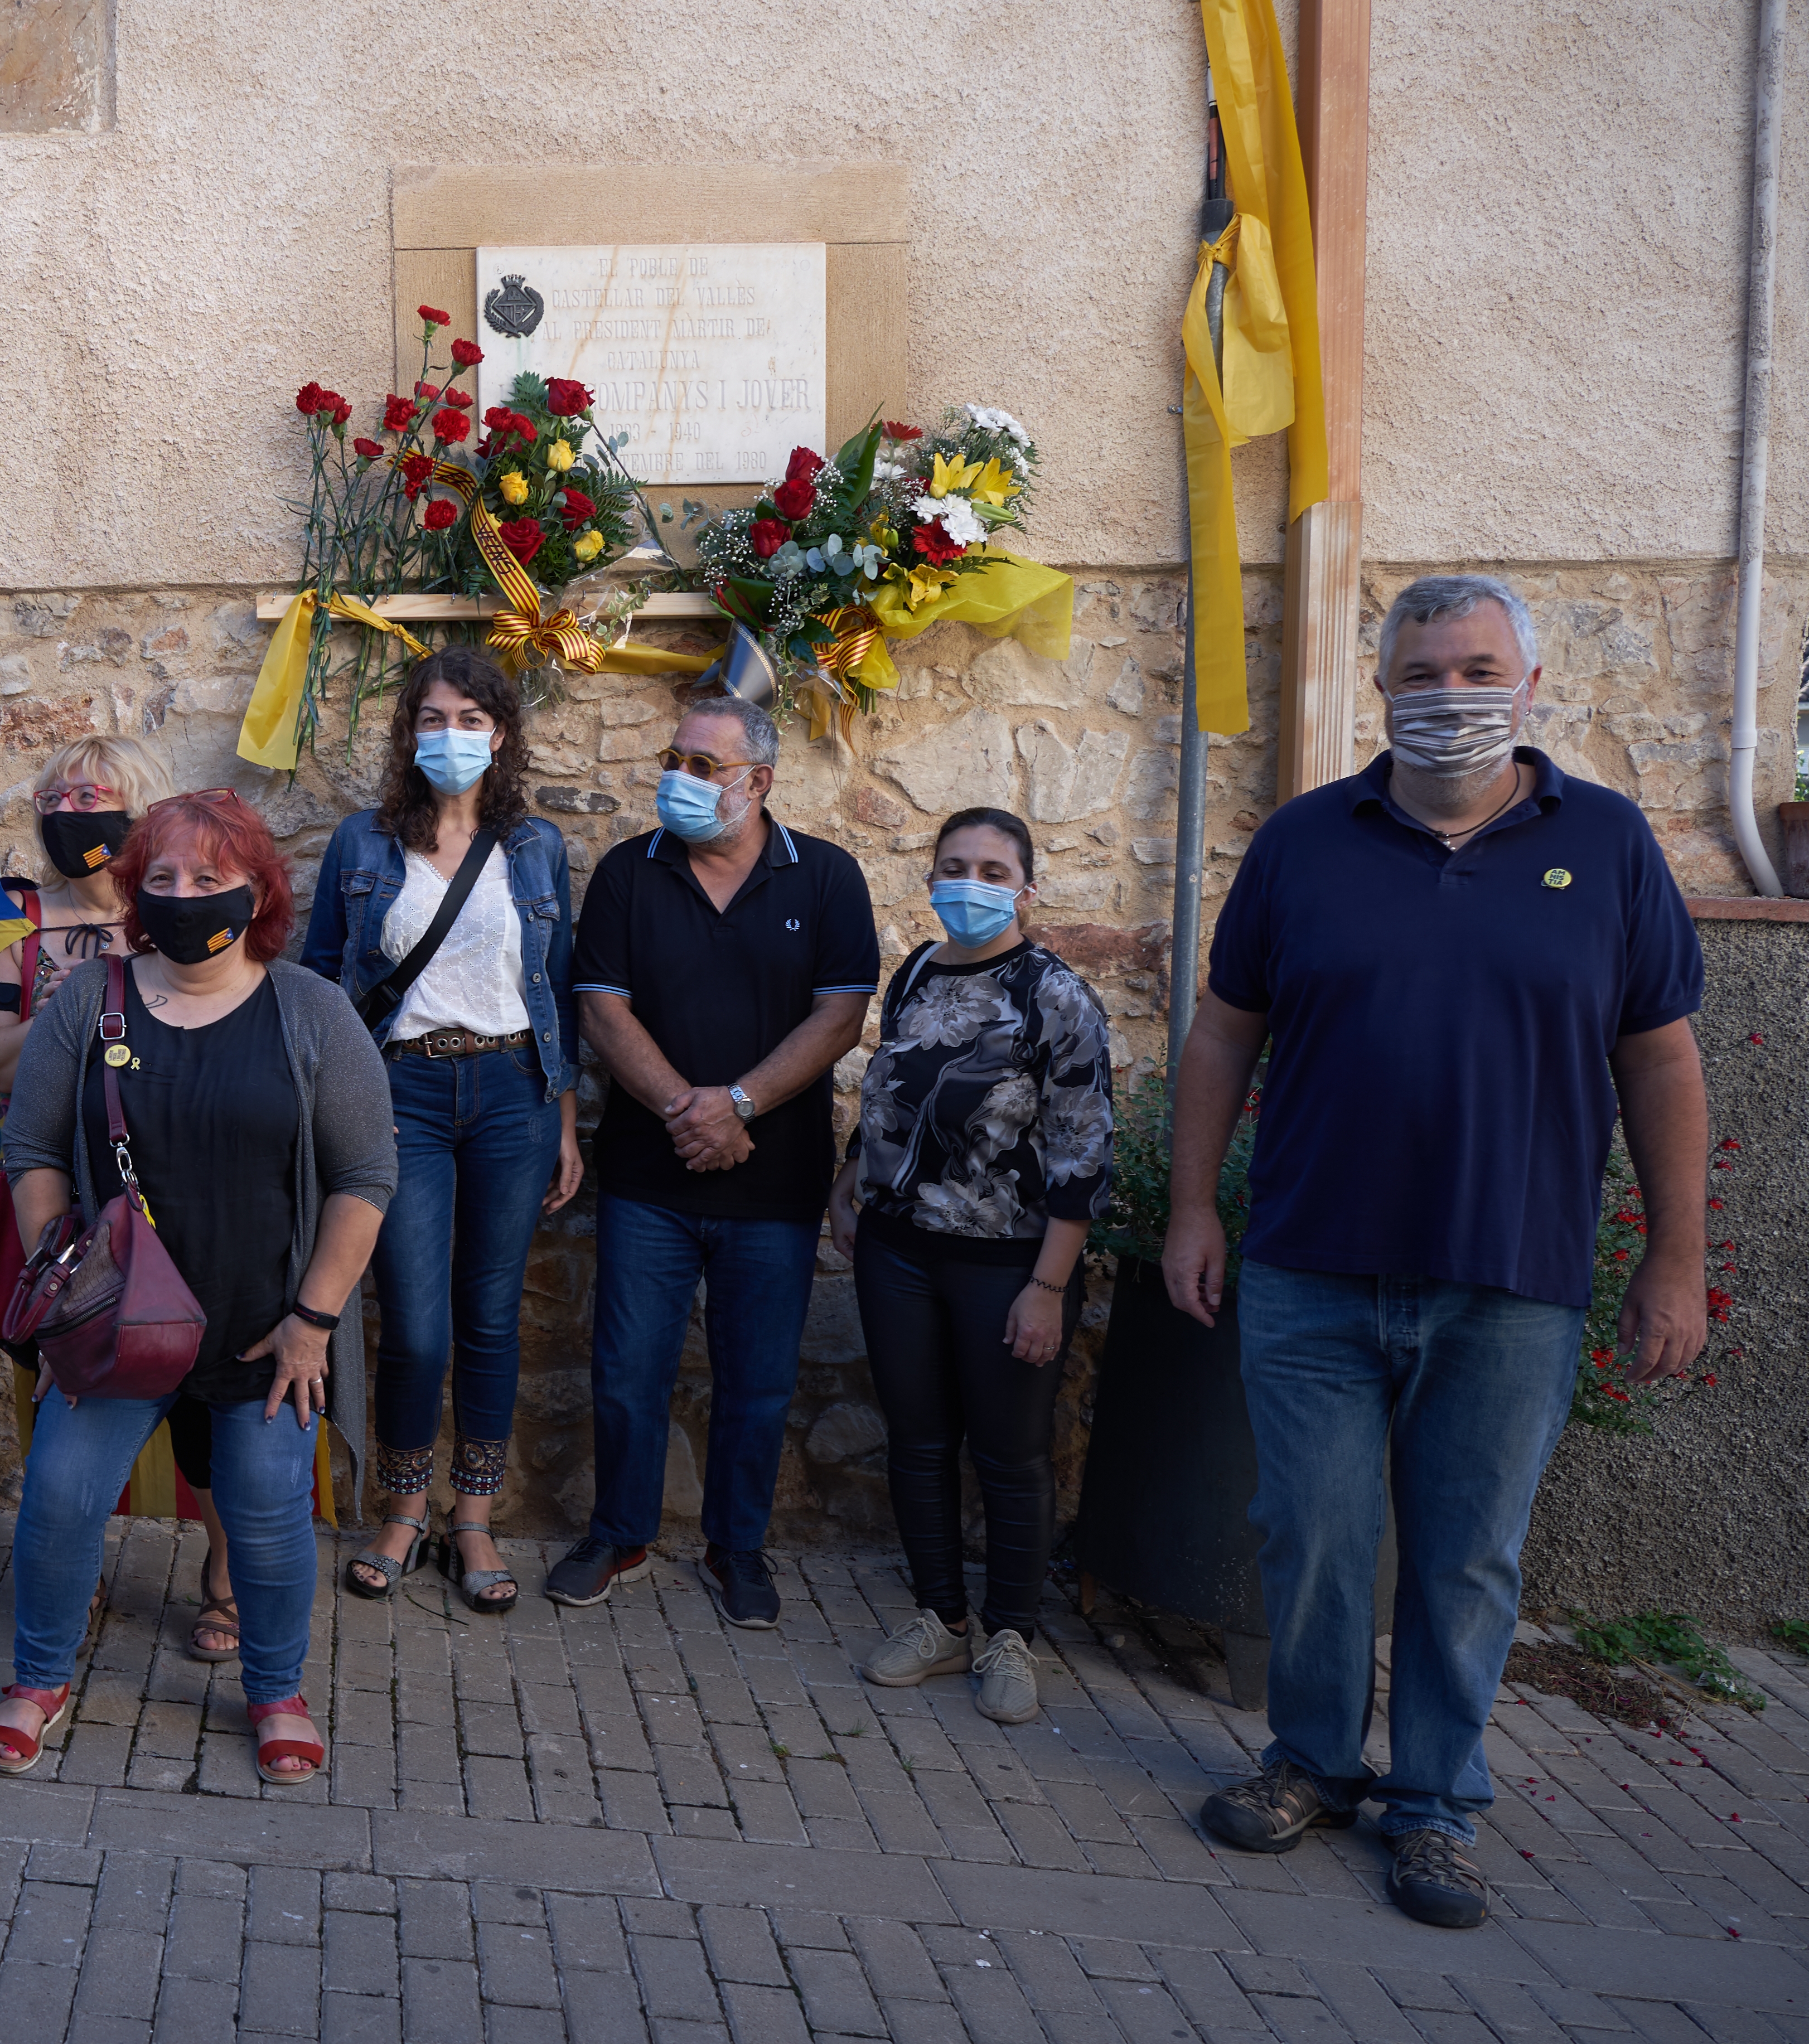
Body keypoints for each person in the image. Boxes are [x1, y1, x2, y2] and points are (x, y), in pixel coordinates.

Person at [1163, 573, 1709, 1929]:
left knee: (1469, 1555)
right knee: (1313, 1536)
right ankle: (1309, 1762)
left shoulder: (1610, 844)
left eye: (1475, 670)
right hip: (1311, 1260)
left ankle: (1435, 1805)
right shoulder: (1302, 843)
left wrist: (1676, 1256)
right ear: (1382, 687)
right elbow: (1223, 1031)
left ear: (1528, 687)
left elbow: (1658, 1058)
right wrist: (1190, 1204)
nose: (1447, 696)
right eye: (1421, 671)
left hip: (1509, 1277)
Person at [0, 791, 394, 1784]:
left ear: (258, 892)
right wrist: (61, 1296)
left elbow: (365, 1176)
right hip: (119, 1332)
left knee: (264, 1511)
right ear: (132, 888)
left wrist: (312, 1325)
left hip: (265, 1332)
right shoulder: (89, 1001)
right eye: (159, 877)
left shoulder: (311, 1011)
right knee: (63, 1494)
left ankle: (276, 1689)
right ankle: (39, 1679)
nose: (181, 896)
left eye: (208, 879)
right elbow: (28, 1146)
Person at [555, 692, 877, 1618]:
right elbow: (602, 1009)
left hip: (774, 1184)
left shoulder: (825, 877)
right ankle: (620, 1536)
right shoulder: (628, 872)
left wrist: (738, 1105)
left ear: (758, 781)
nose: (679, 779)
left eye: (704, 766)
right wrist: (684, 1110)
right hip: (648, 1177)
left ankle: (739, 1549)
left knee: (759, 1383)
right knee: (626, 1372)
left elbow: (840, 1016)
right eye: (674, 759)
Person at [0, 734, 254, 1654]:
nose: (72, 813)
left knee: (207, 1385)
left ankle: (226, 1568)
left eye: (95, 793)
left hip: (177, 1191)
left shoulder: (178, 908)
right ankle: (70, 1573)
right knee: (63, 1387)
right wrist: (90, 1008)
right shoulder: (16, 913)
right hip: (57, 1194)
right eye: (55, 796)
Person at [302, 649, 581, 1614]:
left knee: (492, 1316)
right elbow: (320, 983)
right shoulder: (361, 843)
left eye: (469, 719)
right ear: (408, 732)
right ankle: (403, 1507)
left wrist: (568, 1121)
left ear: (499, 734)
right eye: (431, 718)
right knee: (417, 1323)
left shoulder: (537, 847)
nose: (449, 737)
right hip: (400, 1094)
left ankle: (474, 1518)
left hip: (514, 1093)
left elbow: (561, 993)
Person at [827, 806, 1114, 1725]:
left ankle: (1011, 1634)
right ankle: (941, 1618)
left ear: (1027, 885)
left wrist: (1048, 1288)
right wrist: (849, 1180)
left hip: (1009, 1261)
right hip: (902, 1247)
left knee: (1011, 1453)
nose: (970, 882)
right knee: (917, 1441)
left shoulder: (1055, 996)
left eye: (993, 868)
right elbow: (892, 1090)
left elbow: (1081, 1153)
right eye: (954, 864)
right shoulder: (915, 969)